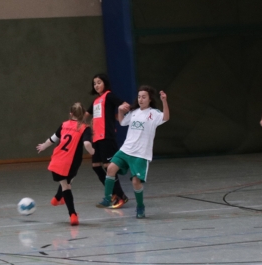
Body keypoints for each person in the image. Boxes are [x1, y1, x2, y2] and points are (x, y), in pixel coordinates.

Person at [96, 86, 169, 219]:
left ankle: (140, 206)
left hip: (141, 154)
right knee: (110, 168)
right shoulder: (134, 112)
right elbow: (122, 122)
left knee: (136, 182)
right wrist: (120, 110)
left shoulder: (154, 113)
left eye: (144, 97)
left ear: (150, 99)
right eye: (139, 97)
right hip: (126, 149)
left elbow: (166, 117)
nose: (140, 99)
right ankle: (107, 198)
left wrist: (164, 100)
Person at [37, 103, 95, 226]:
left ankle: (58, 199)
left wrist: (43, 146)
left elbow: (52, 139)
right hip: (72, 162)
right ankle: (72, 214)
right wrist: (92, 152)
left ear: (71, 114)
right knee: (67, 184)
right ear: (83, 114)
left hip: (58, 159)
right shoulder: (85, 128)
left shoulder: (64, 124)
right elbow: (87, 144)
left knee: (65, 183)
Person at [83, 74, 127, 208]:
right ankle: (113, 192)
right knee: (96, 166)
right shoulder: (96, 101)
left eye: (99, 82)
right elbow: (85, 116)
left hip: (107, 137)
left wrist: (118, 114)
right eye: (94, 83)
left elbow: (124, 105)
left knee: (109, 167)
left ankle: (121, 196)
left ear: (105, 83)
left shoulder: (109, 96)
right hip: (96, 138)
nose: (96, 85)